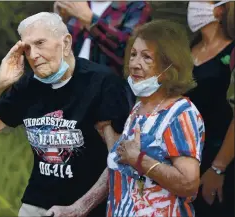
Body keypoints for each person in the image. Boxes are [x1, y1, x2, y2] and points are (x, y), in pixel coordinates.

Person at [0, 12, 132, 217]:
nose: (33, 55)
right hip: (36, 204)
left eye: (40, 43)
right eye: (27, 48)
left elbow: (118, 158)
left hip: (89, 208)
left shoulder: (102, 83)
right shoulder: (29, 85)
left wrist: (80, 207)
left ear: (66, 42)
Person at [96, 20, 205, 217]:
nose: (135, 64)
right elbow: (122, 161)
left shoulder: (180, 113)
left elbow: (189, 184)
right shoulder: (139, 108)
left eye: (147, 57)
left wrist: (139, 160)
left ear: (170, 67)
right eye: (133, 55)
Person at [185, 1, 235, 216]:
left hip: (218, 157)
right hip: (184, 158)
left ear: (221, 8)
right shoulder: (187, 47)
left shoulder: (231, 52)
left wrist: (218, 168)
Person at [53, 1, 152, 77]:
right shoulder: (73, 4)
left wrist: (90, 19)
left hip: (110, 91)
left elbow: (130, 51)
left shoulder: (137, 5)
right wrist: (59, 20)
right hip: (71, 87)